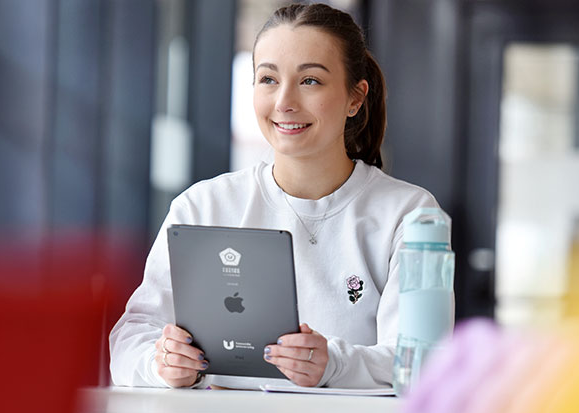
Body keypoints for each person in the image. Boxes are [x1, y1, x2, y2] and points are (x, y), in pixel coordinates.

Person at [109, 2, 446, 389]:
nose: (284, 102)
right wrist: (162, 364)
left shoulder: (410, 216)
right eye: (268, 79)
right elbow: (129, 339)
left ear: (355, 98)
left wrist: (334, 364)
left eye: (310, 81)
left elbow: (423, 365)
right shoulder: (203, 207)